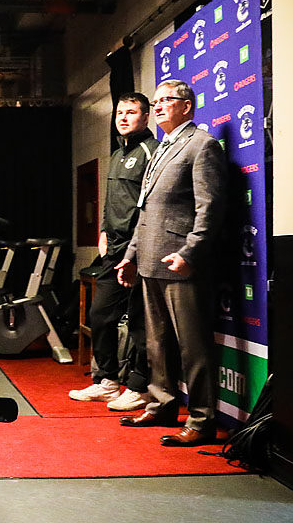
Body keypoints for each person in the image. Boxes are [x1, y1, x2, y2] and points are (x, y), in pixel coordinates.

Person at [115, 79, 228, 447]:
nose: (159, 105)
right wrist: (130, 257)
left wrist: (190, 253)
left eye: (167, 100)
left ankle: (201, 419)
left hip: (181, 263)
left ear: (187, 106)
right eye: (157, 100)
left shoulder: (202, 145)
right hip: (149, 259)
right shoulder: (162, 146)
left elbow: (209, 208)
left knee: (192, 345)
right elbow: (146, 210)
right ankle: (162, 403)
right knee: (156, 342)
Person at [69, 92, 157, 410]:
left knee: (139, 321)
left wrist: (134, 251)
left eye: (131, 112)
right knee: (100, 315)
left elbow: (150, 207)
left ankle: (139, 386)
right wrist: (103, 231)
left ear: (146, 117)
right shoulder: (118, 153)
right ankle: (106, 382)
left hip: (138, 250)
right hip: (113, 249)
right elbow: (110, 198)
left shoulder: (151, 152)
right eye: (119, 112)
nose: (122, 117)